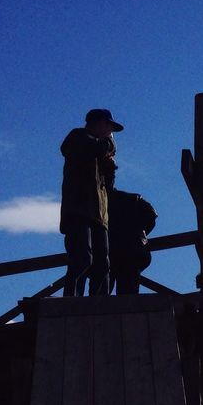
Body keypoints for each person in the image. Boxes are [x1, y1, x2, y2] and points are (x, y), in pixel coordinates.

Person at [60, 108, 121, 296]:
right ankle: (72, 302)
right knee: (81, 259)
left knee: (103, 263)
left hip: (100, 215)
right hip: (79, 209)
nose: (110, 132)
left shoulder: (96, 149)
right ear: (99, 123)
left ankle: (99, 303)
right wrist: (109, 144)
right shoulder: (78, 137)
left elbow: (108, 189)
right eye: (109, 127)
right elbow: (95, 148)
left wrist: (109, 170)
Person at [103, 165, 158, 294]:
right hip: (131, 254)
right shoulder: (132, 199)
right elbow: (151, 214)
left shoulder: (102, 204)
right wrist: (141, 232)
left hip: (112, 255)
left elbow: (151, 214)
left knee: (102, 298)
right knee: (128, 296)